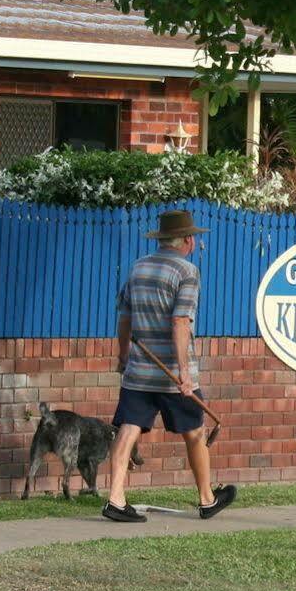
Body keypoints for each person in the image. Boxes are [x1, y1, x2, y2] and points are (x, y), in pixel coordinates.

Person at [102, 208, 236, 524]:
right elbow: (179, 321)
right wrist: (184, 374)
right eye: (194, 239)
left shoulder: (138, 268)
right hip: (173, 374)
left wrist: (123, 356)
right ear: (188, 240)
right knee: (195, 433)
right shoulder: (187, 272)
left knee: (128, 428)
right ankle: (207, 499)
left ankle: (115, 499)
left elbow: (124, 318)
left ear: (163, 239)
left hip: (138, 369)